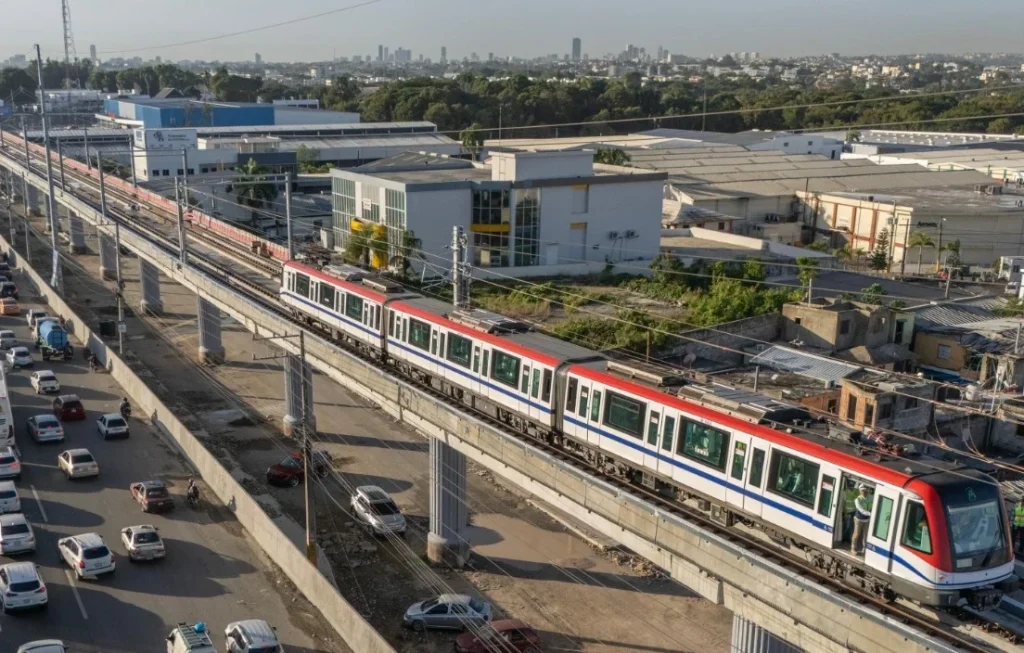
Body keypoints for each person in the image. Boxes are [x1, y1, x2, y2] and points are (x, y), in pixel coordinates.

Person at [851, 485, 873, 555]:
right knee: (856, 534)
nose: (864, 492)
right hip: (858, 519)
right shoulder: (857, 500)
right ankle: (853, 548)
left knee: (866, 535)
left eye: (865, 491)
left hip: (867, 520)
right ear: (860, 491)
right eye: (862, 491)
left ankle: (864, 549)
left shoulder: (871, 497)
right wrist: (871, 514)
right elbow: (861, 510)